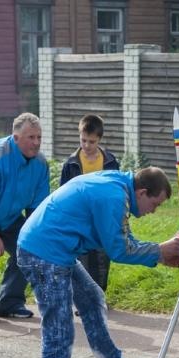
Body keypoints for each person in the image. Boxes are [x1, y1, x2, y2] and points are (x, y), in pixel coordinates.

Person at [17, 167, 179, 358]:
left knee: (91, 298)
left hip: (55, 250)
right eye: (155, 204)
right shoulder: (114, 196)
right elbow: (120, 249)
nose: (154, 211)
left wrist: (160, 255)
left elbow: (122, 237)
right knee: (58, 332)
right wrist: (160, 250)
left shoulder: (119, 189)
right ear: (142, 192)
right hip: (44, 254)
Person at [0, 112, 50, 324]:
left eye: (39, 137)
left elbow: (37, 208)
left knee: (30, 248)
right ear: (15, 138)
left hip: (8, 217)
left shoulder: (41, 164)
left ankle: (10, 303)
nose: (36, 142)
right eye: (31, 137)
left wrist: (37, 238)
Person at [60, 114, 120, 294]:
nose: (86, 145)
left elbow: (117, 190)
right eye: (83, 140)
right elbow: (63, 193)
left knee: (102, 259)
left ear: (99, 139)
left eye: (91, 142)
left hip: (103, 218)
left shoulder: (110, 162)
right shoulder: (71, 164)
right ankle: (83, 298)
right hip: (79, 219)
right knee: (82, 260)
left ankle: (99, 296)